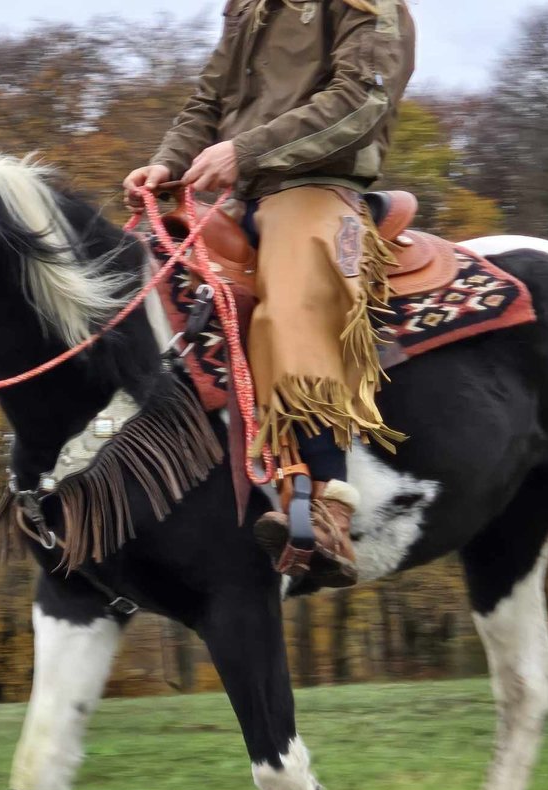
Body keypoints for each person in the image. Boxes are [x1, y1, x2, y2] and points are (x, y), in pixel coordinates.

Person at [124, 0, 417, 587]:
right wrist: (165, 164)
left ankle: (330, 505)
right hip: (236, 197)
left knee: (290, 307)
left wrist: (243, 152)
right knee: (134, 278)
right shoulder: (249, 8)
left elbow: (362, 100)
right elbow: (207, 103)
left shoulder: (368, 6)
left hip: (314, 186)